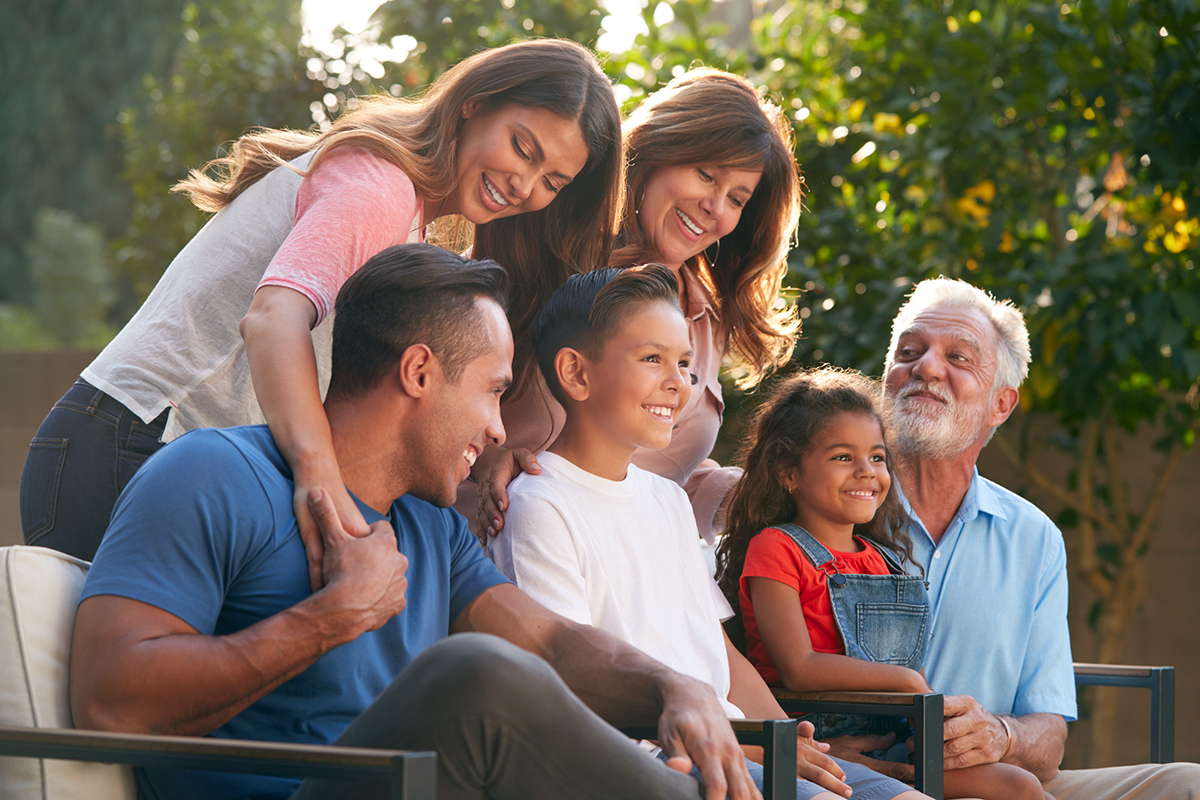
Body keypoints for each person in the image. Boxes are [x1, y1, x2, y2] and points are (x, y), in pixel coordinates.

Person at [68, 244, 767, 800]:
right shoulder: (211, 475)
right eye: (493, 392)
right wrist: (331, 617)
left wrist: (674, 688)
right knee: (475, 672)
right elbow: (109, 701)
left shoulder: (431, 528)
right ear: (420, 372)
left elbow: (551, 645)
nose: (500, 429)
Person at [21, 38, 622, 565]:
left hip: (169, 457)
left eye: (553, 182)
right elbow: (273, 317)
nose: (525, 184)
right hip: (133, 445)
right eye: (523, 147)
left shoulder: (411, 219)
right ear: (476, 104)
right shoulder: (380, 187)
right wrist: (322, 484)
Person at [486, 265, 932, 800]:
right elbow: (569, 682)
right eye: (652, 359)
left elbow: (720, 654)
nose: (678, 384)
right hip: (660, 762)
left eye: (683, 364)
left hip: (741, 745)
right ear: (576, 374)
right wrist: (753, 749)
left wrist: (788, 744)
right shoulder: (540, 506)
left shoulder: (668, 500)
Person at [843, 276, 1199, 798]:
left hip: (994, 779)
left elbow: (1049, 740)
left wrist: (1000, 734)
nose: (925, 367)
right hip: (861, 780)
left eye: (958, 357)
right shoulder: (829, 506)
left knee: (1185, 784)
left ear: (1001, 405)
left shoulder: (1034, 539)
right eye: (910, 352)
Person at [469, 67, 802, 545]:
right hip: (501, 551)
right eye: (706, 174)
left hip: (624, 574)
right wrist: (484, 459)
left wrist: (753, 494)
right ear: (652, 155)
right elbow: (439, 392)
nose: (716, 207)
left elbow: (660, 475)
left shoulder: (705, 320)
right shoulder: (544, 250)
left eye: (737, 199)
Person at [714, 367, 1052, 800]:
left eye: (876, 457)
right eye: (842, 457)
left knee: (1020, 785)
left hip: (897, 739)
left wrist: (936, 729)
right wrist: (906, 683)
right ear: (788, 473)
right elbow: (797, 668)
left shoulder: (887, 561)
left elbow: (913, 669)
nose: (866, 472)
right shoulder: (776, 548)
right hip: (816, 741)